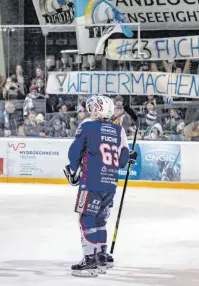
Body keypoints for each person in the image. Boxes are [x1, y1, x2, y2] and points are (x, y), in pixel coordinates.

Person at [63, 95, 137, 277]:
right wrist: (130, 158)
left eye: (92, 107)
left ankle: (90, 262)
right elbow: (122, 160)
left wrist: (73, 171)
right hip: (110, 184)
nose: (90, 111)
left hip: (91, 182)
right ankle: (102, 258)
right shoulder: (119, 130)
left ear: (97, 109)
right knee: (100, 220)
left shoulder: (87, 126)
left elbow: (75, 151)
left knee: (86, 219)